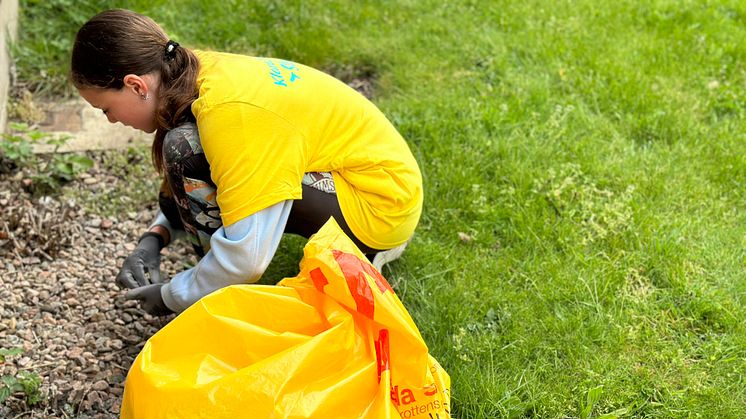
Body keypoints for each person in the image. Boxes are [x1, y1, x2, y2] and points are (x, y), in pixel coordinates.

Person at [70, 9, 423, 316]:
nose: (111, 121)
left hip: (379, 210)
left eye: (105, 109)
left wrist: (171, 296)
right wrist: (156, 236)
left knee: (186, 150)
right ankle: (209, 280)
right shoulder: (187, 69)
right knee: (189, 148)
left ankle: (216, 299)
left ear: (135, 85)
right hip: (368, 182)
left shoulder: (233, 116)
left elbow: (246, 259)